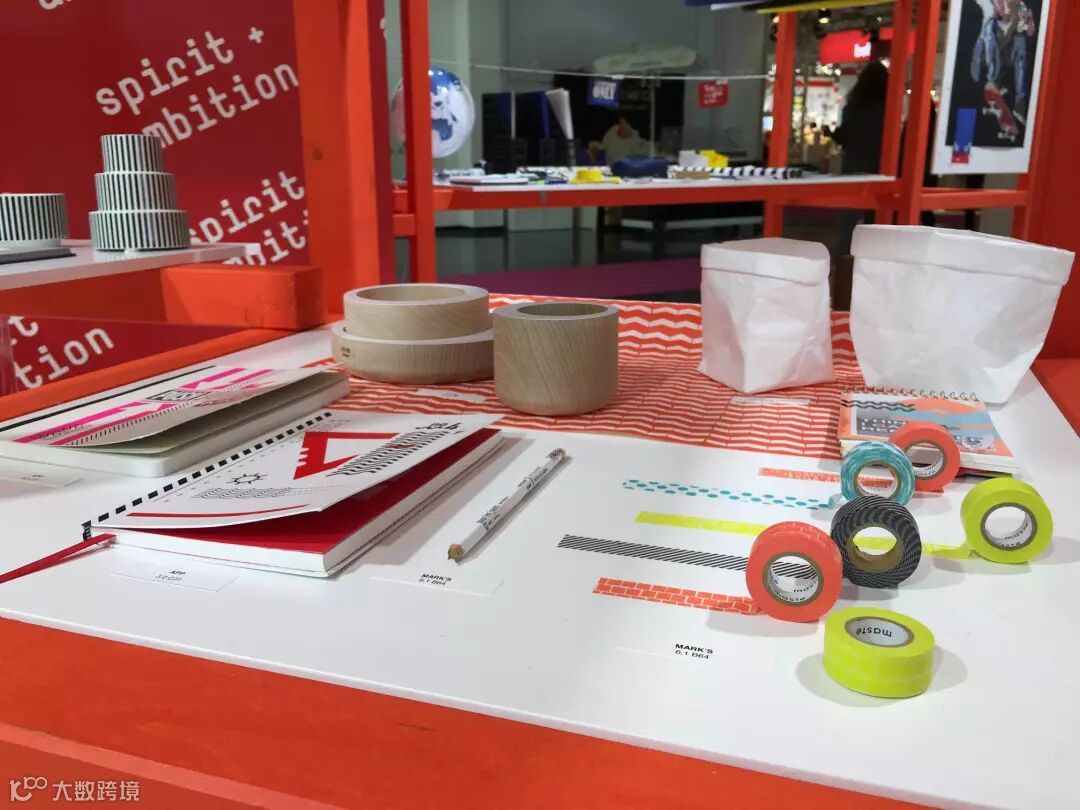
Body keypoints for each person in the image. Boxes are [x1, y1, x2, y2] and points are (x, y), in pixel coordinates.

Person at [833, 61, 889, 257]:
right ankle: (873, 258)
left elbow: (844, 137)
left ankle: (843, 260)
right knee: (876, 219)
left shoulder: (853, 108)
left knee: (848, 218)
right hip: (880, 167)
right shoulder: (888, 110)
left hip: (853, 166)